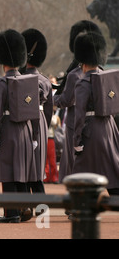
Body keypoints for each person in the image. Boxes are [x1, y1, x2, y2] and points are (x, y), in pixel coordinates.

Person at [0, 29, 34, 223]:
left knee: (8, 171)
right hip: (25, 130)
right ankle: (25, 208)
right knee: (21, 170)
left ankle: (11, 213)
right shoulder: (28, 80)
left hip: (8, 129)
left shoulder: (2, 83)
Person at [72, 32, 119, 196]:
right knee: (110, 167)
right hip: (109, 127)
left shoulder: (83, 83)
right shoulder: (108, 78)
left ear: (82, 61)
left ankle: (79, 205)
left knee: (82, 168)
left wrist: (77, 139)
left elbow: (79, 115)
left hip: (91, 130)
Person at [54, 20, 102, 183]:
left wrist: (53, 98)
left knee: (74, 164)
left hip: (76, 123)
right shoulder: (102, 72)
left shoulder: (75, 75)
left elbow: (67, 100)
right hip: (98, 124)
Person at [21, 28, 54, 194]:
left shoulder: (18, 80)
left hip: (23, 124)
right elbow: (49, 111)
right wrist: (43, 128)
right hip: (41, 123)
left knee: (24, 168)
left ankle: (25, 205)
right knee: (37, 169)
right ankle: (42, 209)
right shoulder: (45, 81)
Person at [44, 108, 60, 183]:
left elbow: (54, 122)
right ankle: (47, 177)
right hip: (45, 138)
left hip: (50, 138)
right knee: (46, 160)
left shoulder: (53, 115)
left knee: (52, 159)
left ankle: (54, 177)